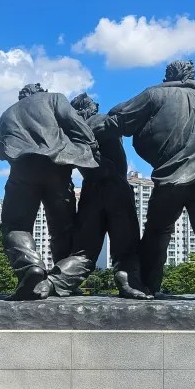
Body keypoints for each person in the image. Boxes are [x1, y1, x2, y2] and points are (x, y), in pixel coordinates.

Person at [105, 60, 195, 303]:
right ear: (192, 76)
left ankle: (148, 284)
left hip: (172, 176)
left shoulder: (154, 94)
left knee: (158, 231)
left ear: (168, 76)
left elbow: (118, 119)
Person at [0, 83, 99, 300]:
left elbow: (4, 149)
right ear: (41, 92)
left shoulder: (6, 114)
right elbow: (76, 125)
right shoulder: (54, 98)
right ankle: (61, 280)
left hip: (22, 170)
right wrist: (89, 147)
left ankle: (30, 267)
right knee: (63, 227)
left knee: (15, 226)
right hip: (57, 168)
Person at [69, 93, 152, 300]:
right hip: (115, 187)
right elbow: (124, 120)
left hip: (90, 190)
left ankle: (57, 281)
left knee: (83, 251)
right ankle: (129, 282)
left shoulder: (71, 132)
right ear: (89, 108)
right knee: (126, 246)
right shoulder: (98, 121)